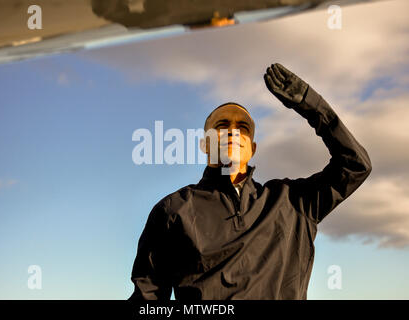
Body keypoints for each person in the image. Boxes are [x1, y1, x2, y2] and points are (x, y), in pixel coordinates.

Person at [128, 63, 372, 300]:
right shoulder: (173, 210)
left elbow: (356, 165)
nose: (233, 131)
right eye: (222, 125)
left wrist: (311, 104)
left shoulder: (293, 202)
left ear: (252, 148)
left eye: (242, 127)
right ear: (205, 145)